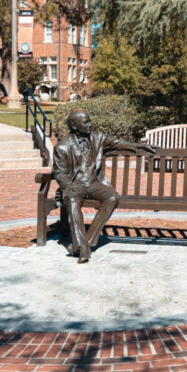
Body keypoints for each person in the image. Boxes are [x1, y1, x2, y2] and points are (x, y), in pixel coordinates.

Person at [52, 109, 155, 263]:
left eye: (89, 120)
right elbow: (60, 172)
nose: (90, 124)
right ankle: (83, 251)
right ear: (74, 126)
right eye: (85, 122)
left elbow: (118, 144)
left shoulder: (98, 137)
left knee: (113, 196)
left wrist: (138, 147)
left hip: (94, 184)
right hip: (76, 185)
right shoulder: (63, 146)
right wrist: (68, 187)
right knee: (72, 201)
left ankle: (85, 242)